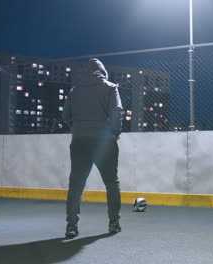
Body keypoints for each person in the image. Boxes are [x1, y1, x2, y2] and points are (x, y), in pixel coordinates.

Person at [62, 58, 124, 237]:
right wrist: (115, 132)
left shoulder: (74, 91)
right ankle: (114, 223)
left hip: (80, 141)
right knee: (111, 183)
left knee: (76, 185)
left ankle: (71, 226)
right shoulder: (111, 88)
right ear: (103, 71)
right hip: (104, 142)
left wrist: (77, 129)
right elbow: (117, 112)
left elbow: (65, 115)